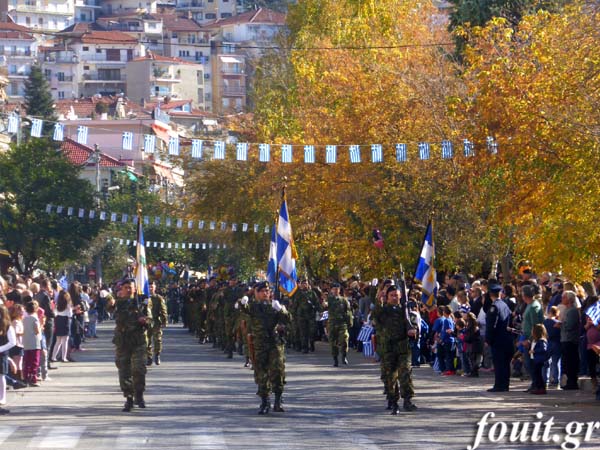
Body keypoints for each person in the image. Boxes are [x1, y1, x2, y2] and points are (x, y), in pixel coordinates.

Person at [240, 281, 290, 415]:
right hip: (259, 344)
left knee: (277, 372)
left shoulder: (275, 306)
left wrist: (281, 310)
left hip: (274, 343)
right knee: (261, 373)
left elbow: (288, 319)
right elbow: (243, 308)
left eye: (267, 291)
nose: (265, 293)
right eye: (262, 291)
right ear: (257, 293)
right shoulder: (254, 307)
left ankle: (278, 401)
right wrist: (242, 301)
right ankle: (265, 402)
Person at [106, 279, 153, 412]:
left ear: (134, 288)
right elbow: (108, 306)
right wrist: (112, 298)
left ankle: (139, 394)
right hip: (123, 341)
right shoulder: (118, 302)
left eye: (129, 287)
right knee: (124, 371)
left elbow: (151, 321)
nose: (127, 290)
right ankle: (129, 398)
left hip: (138, 341)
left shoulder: (142, 303)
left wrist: (145, 321)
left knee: (138, 370)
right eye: (125, 287)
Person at [373, 285, 418, 414]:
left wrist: (413, 330)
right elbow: (376, 316)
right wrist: (378, 300)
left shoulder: (405, 310)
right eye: (391, 295)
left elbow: (414, 323)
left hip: (403, 347)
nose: (394, 298)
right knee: (390, 377)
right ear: (387, 297)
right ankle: (393, 401)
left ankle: (408, 400)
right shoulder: (383, 311)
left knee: (405, 373)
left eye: (396, 295)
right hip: (388, 348)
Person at [485, 284, 514, 392]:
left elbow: (491, 325)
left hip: (498, 339)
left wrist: (488, 339)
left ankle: (499, 385)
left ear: (490, 295)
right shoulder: (505, 305)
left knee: (499, 363)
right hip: (506, 338)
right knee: (505, 363)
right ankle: (505, 384)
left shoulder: (494, 307)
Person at [327, 283, 353, 367]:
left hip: (342, 323)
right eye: (334, 289)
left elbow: (348, 312)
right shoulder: (329, 299)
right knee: (333, 342)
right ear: (331, 290)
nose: (335, 290)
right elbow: (323, 309)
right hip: (332, 324)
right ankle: (335, 359)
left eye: (337, 289)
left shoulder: (344, 300)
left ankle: (344, 356)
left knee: (344, 339)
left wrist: (350, 322)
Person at [292, 279, 321, 353]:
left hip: (311, 315)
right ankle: (305, 347)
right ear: (301, 285)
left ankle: (311, 343)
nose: (304, 285)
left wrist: (320, 311)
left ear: (308, 285)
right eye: (303, 283)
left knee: (312, 331)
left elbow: (317, 303)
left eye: (306, 283)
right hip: (301, 315)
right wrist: (293, 314)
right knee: (303, 332)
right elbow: (295, 305)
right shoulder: (298, 294)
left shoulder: (312, 293)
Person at [559, 290, 581, 390]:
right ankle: (569, 381)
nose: (562, 299)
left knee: (571, 361)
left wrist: (561, 323)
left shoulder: (572, 310)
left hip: (570, 340)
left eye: (564, 297)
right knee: (566, 362)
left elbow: (570, 325)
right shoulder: (566, 310)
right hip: (564, 339)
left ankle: (572, 382)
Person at [0, 304, 17, 414]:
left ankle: (2, 397)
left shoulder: (8, 326)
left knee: (1, 376)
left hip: (2, 354)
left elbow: (12, 342)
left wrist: (1, 349)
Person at [147, 281, 168, 366]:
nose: (150, 288)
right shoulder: (143, 297)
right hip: (146, 322)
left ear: (155, 287)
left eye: (152, 286)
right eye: (149, 287)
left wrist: (164, 320)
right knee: (146, 341)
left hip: (156, 321)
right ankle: (149, 357)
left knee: (157, 340)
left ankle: (157, 354)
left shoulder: (158, 298)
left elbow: (164, 310)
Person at [529, 323, 548, 395]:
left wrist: (534, 351)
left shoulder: (542, 341)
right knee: (536, 374)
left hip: (539, 360)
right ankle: (538, 388)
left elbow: (544, 349)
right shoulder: (536, 340)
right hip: (536, 359)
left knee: (538, 375)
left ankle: (541, 388)